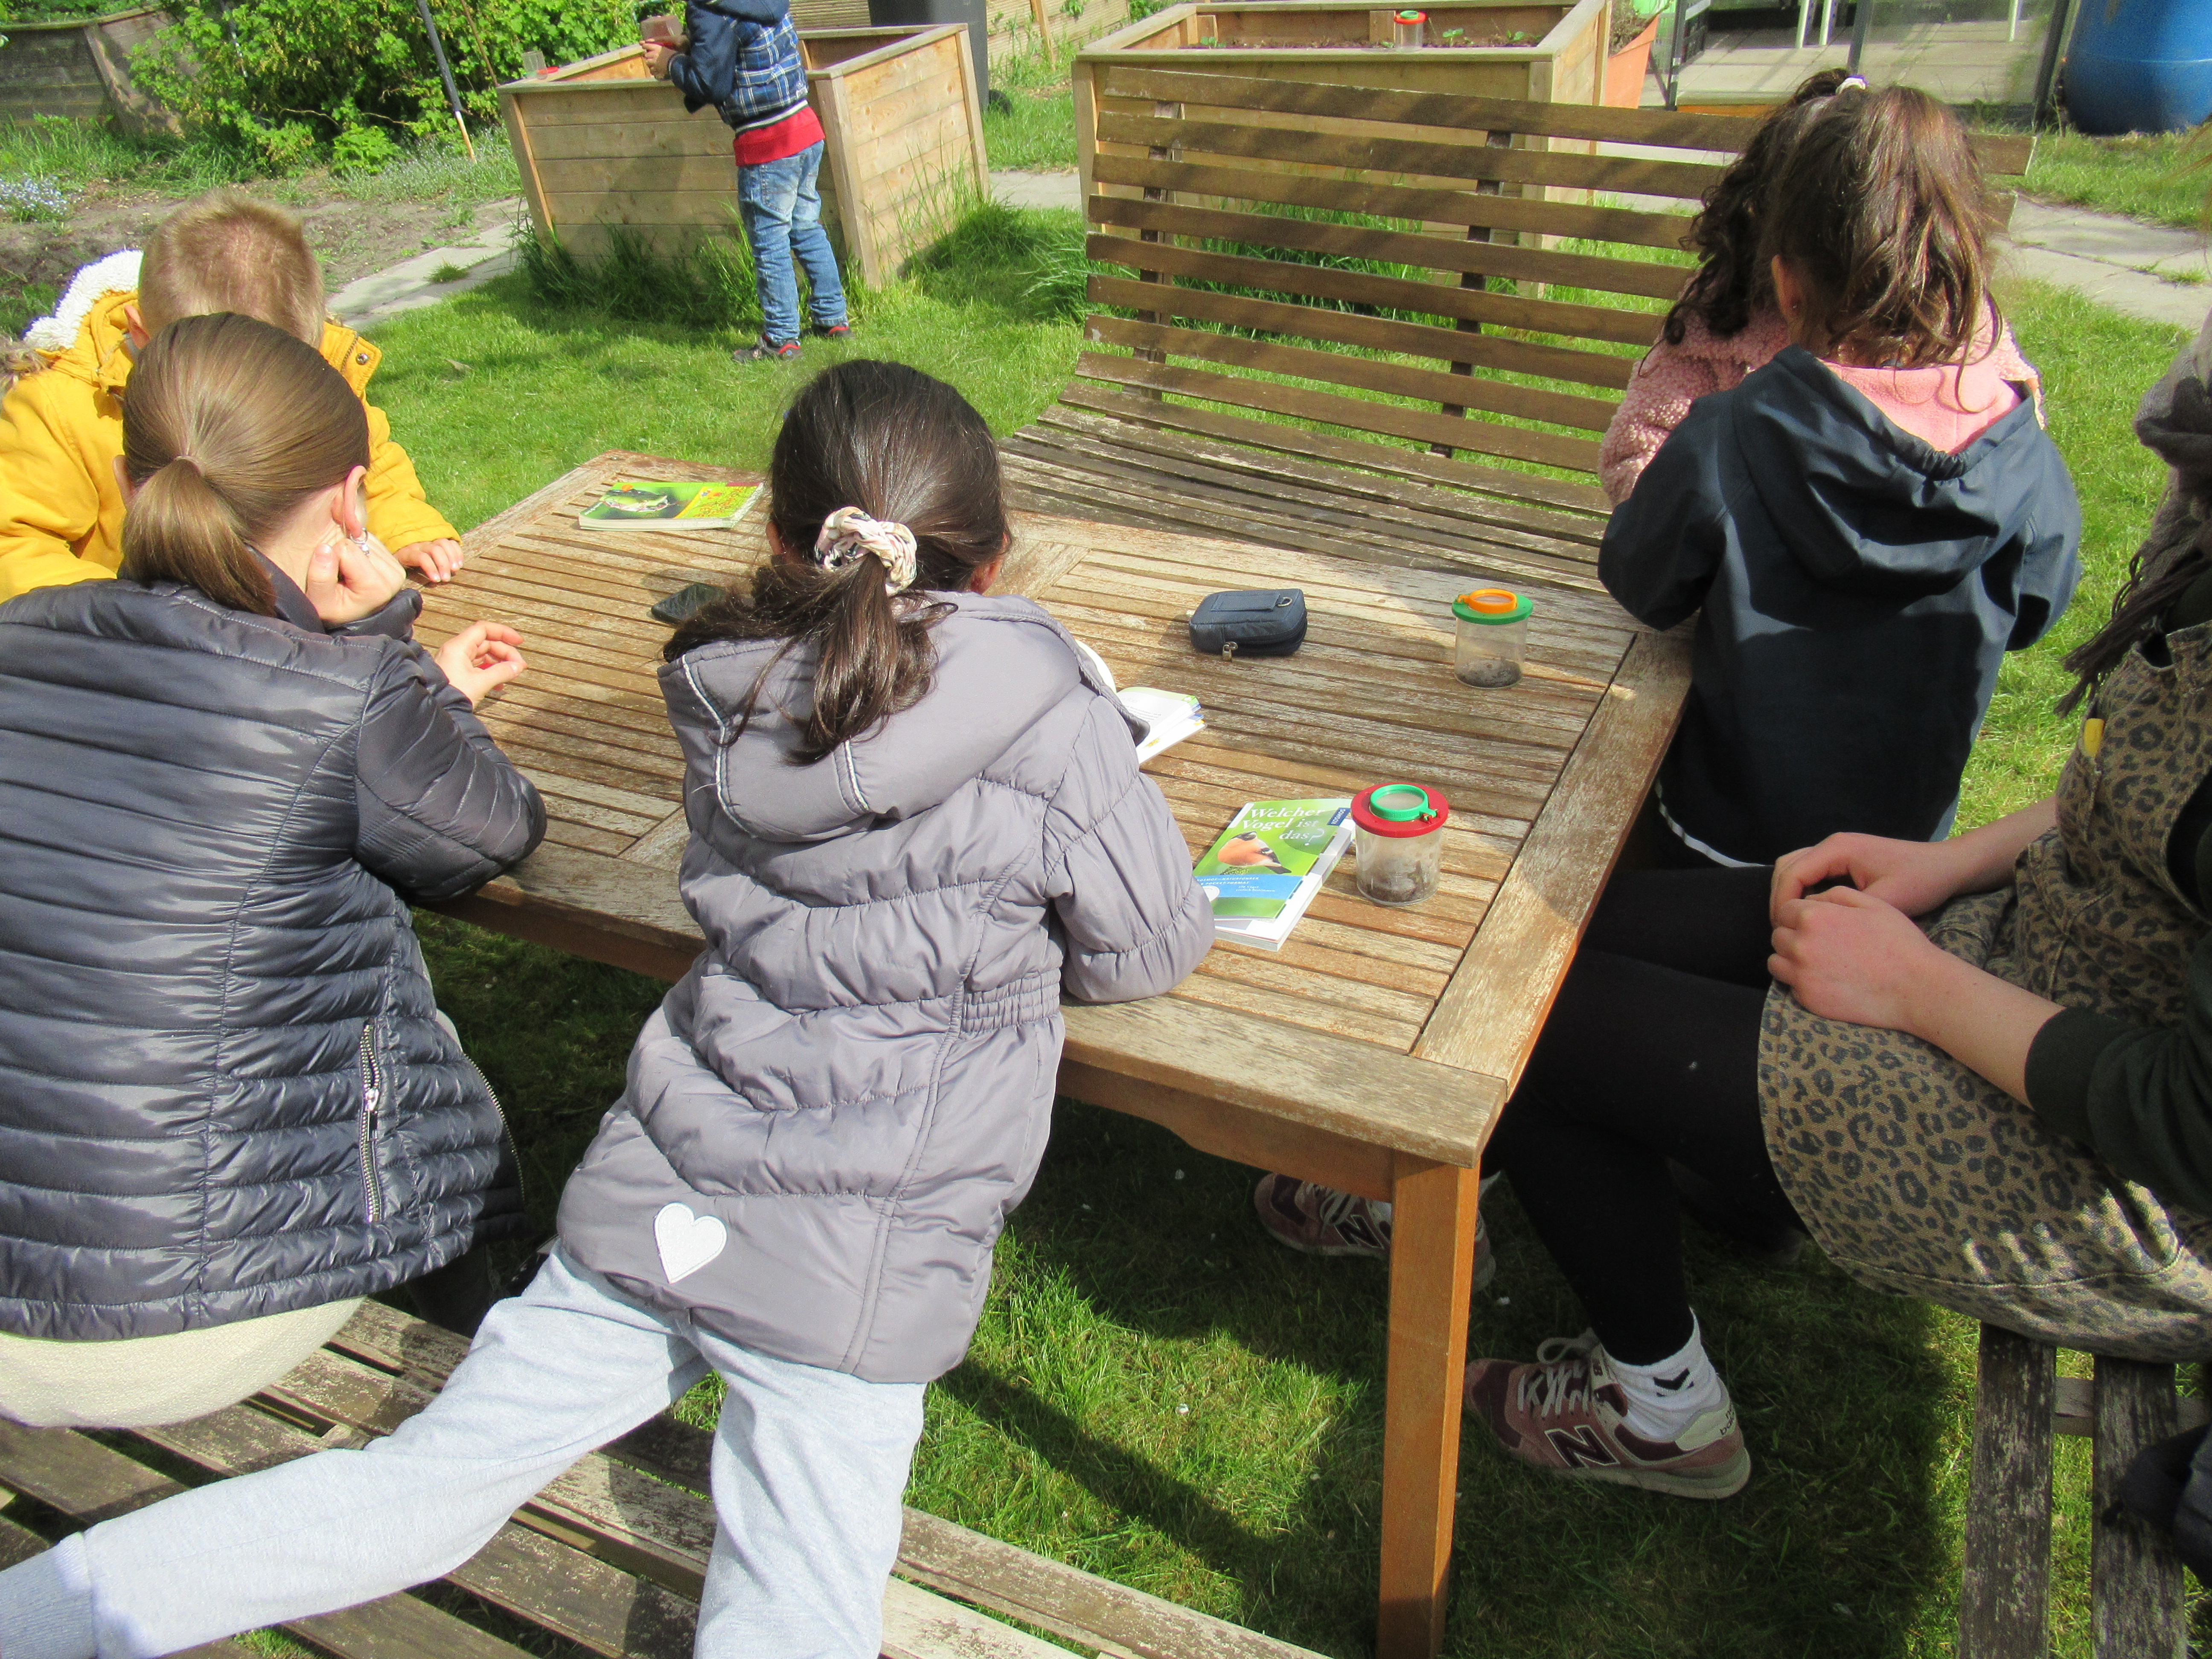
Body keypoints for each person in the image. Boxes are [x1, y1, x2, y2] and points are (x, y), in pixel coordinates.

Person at [0, 358, 1215, 1659]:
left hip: (656, 1198)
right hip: (862, 1258)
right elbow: (1146, 949)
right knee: (794, 1602)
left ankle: (44, 1614)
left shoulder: (725, 691)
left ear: (777, 538)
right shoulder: (1051, 709)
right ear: (995, 557)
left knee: (412, 1493)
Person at [1458, 301, 2212, 1502]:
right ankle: (1540, 1172)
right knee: (1550, 948)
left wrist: (1916, 985)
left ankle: (1663, 1411)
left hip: (2113, 1189)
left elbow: (2191, 1123)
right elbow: (2119, 799)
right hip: (2033, 964)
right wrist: (1947, 867)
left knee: (1531, 1028)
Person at [0, 314, 543, 1433]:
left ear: (121, 477)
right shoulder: (335, 689)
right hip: (179, 1321)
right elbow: (490, 831)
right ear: (354, 503)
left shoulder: (24, 632)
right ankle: (495, 1397)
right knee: (419, 1079)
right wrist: (383, 645)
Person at [1600, 83, 2081, 873]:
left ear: (1785, 288)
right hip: (1899, 865)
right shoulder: (2022, 458)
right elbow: (2034, 610)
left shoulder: (1726, 437)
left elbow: (1641, 580)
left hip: (1715, 847)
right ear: (1965, 276)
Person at [1597, 69, 2041, 506]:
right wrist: (1715, 527)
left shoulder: (1957, 317)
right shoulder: (1724, 310)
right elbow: (1637, 452)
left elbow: (2011, 461)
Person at [0, 193, 467, 603]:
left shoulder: (314, 375)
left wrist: (407, 528)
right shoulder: (64, 409)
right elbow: (12, 543)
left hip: (295, 619)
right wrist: (129, 615)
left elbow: (369, 461)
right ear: (140, 332)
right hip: (149, 658)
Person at [643, 0, 851, 365]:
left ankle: (782, 339)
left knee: (769, 243)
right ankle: (832, 318)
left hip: (766, 143)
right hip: (804, 127)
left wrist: (671, 65)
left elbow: (712, 83)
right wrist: (692, 47)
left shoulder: (706, 7)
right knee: (805, 226)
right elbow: (744, 40)